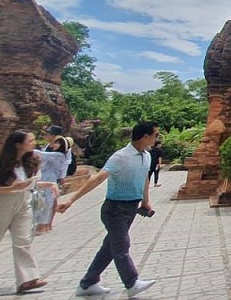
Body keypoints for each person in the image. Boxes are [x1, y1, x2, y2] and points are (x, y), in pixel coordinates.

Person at [58, 121, 160, 298]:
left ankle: (87, 283)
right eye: (155, 134)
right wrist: (71, 200)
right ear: (145, 136)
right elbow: (97, 178)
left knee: (109, 248)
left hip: (131, 207)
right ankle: (132, 282)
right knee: (121, 244)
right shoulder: (121, 157)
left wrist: (146, 201)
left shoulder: (146, 155)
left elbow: (144, 178)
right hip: (114, 209)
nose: (157, 138)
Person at [0, 131, 55, 294]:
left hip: (24, 203)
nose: (34, 143)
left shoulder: (32, 162)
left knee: (23, 242)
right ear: (18, 144)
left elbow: (32, 184)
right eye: (30, 140)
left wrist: (49, 184)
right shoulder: (0, 164)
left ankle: (27, 279)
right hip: (3, 203)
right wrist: (10, 188)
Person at [34, 135, 70, 233]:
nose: (54, 145)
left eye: (57, 143)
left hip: (49, 178)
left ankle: (42, 225)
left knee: (45, 202)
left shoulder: (59, 155)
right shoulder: (56, 154)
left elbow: (41, 154)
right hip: (46, 177)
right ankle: (44, 225)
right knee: (43, 201)